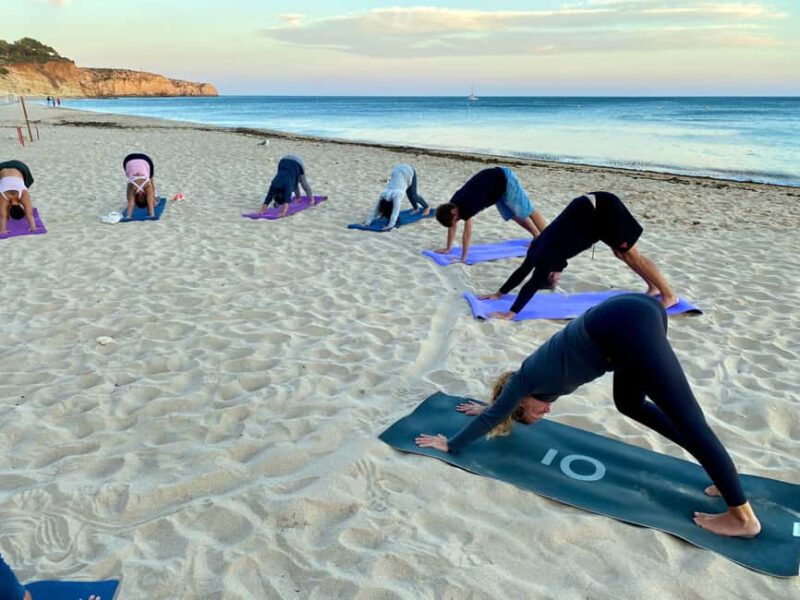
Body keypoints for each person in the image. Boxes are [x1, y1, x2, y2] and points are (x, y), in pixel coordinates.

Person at [415, 294, 761, 538]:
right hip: (627, 321)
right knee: (628, 402)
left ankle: (742, 518)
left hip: (626, 324)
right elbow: (496, 412)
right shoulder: (528, 387)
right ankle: (718, 472)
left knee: (690, 421)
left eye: (535, 413)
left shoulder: (524, 382)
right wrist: (491, 407)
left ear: (521, 402)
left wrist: (451, 444)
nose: (545, 411)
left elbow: (492, 419)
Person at [481, 191, 677, 318]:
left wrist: (511, 313)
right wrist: (499, 293)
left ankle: (669, 295)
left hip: (602, 209)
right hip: (591, 213)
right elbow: (521, 271)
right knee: (621, 253)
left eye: (554, 279)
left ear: (549, 273)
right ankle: (653, 286)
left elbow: (531, 283)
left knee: (631, 254)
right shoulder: (537, 248)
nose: (558, 278)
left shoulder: (546, 257)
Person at [433, 167, 547, 263]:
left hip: (504, 179)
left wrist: (463, 258)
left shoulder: (467, 206)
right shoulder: (452, 205)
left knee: (528, 210)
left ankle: (550, 239)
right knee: (511, 214)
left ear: (453, 212)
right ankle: (536, 235)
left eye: (456, 219)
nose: (457, 221)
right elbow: (452, 226)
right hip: (494, 189)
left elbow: (467, 233)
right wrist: (448, 248)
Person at [363, 164, 429, 230]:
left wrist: (390, 225)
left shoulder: (397, 196)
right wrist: (367, 222)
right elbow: (376, 210)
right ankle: (416, 208)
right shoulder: (383, 195)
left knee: (413, 195)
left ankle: (426, 207)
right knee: (410, 194)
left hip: (409, 171)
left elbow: (395, 212)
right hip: (397, 171)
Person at [0, 160, 38, 235]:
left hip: (19, 166)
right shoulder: (2, 196)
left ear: (21, 207)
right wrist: (2, 230)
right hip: (2, 168)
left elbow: (29, 214)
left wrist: (3, 230)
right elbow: (2, 216)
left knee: (25, 184)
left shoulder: (23, 194)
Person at [123, 153, 157, 219]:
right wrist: (153, 202)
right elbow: (130, 201)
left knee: (150, 178)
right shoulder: (133, 187)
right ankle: (128, 216)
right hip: (128, 161)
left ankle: (129, 216)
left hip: (145, 160)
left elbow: (130, 202)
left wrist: (153, 200)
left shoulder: (147, 186)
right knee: (131, 172)